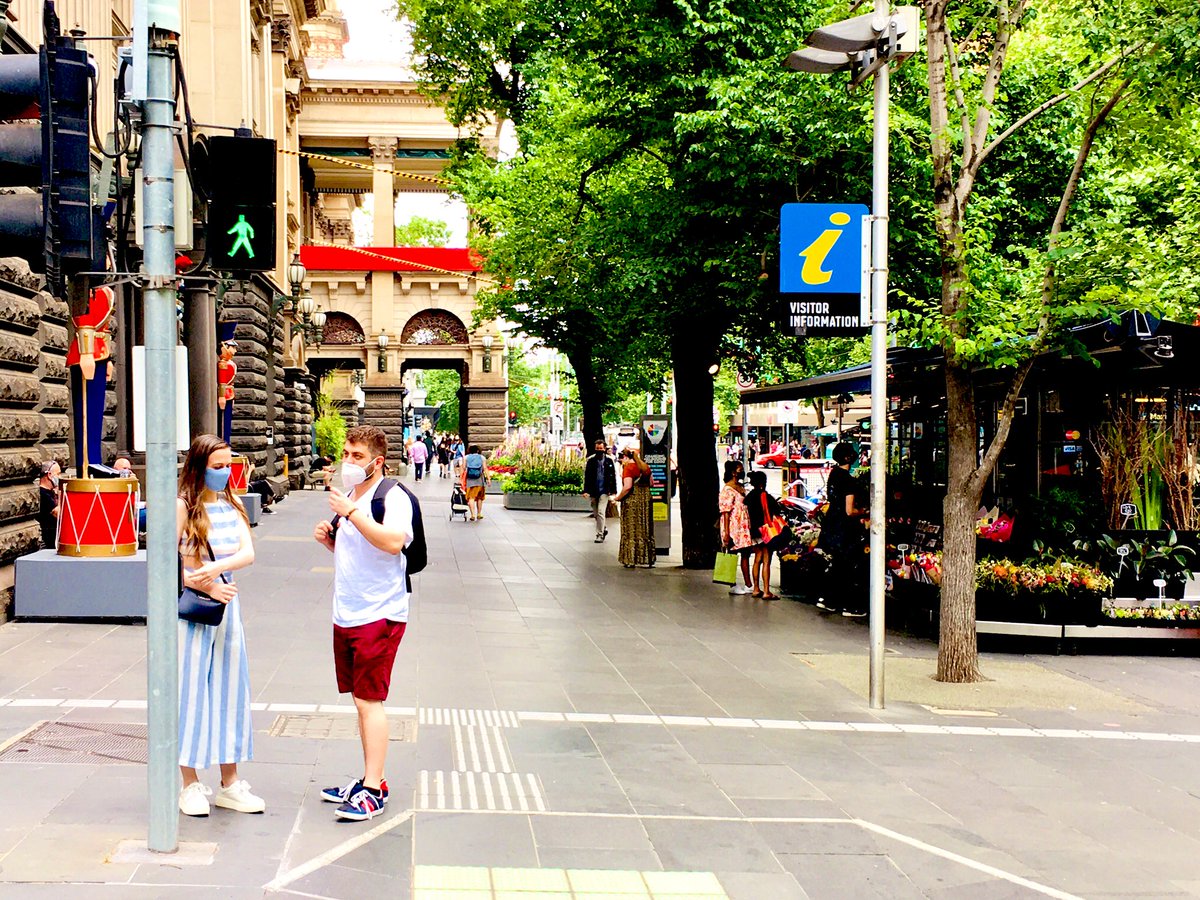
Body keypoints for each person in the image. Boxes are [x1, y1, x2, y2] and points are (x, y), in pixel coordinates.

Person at [313, 425, 414, 822]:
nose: (348, 462)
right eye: (346, 453)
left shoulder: (393, 496)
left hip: (380, 612)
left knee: (370, 700)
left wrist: (351, 513)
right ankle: (373, 777)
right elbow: (359, 551)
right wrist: (330, 540)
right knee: (360, 700)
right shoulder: (353, 496)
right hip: (349, 610)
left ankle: (373, 789)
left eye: (357, 456)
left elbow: (392, 543)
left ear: (377, 461)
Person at [176, 434, 262, 817]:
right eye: (217, 466)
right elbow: (169, 560)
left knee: (231, 689)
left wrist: (217, 570)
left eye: (229, 465)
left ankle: (230, 782)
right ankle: (190, 783)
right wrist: (204, 580)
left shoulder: (233, 503)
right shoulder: (183, 507)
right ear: (198, 468)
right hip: (196, 610)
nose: (225, 473)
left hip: (229, 607)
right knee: (190, 691)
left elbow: (248, 552)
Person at [816, 442, 869, 616]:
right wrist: (864, 512)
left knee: (837, 564)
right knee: (849, 566)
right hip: (845, 530)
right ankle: (850, 606)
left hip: (831, 524)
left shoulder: (833, 474)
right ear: (848, 457)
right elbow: (849, 510)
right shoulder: (849, 481)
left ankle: (829, 600)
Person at [613, 448, 655, 568]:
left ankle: (631, 558)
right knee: (645, 528)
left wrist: (618, 498)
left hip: (632, 501)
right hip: (646, 500)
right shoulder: (646, 467)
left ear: (626, 458)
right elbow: (652, 483)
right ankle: (648, 557)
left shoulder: (629, 468)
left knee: (632, 529)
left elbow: (628, 487)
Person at [718, 460, 754, 596]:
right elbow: (725, 512)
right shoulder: (727, 490)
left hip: (743, 527)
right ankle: (732, 584)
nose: (741, 472)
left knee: (745, 554)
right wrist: (726, 532)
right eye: (739, 469)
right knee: (732, 556)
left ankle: (748, 583)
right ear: (733, 472)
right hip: (733, 527)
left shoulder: (740, 487)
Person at [743, 470, 781, 600]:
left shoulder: (749, 497)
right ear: (763, 482)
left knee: (757, 559)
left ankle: (755, 589)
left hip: (753, 531)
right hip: (765, 531)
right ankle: (766, 591)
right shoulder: (765, 495)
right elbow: (776, 510)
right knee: (766, 560)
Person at [583, 438, 618, 543]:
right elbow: (587, 476)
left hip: (604, 490)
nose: (599, 450)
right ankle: (603, 528)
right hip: (593, 491)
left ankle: (600, 534)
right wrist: (586, 490)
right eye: (597, 448)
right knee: (596, 513)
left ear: (604, 448)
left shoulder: (609, 461)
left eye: (601, 448)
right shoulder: (591, 461)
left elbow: (612, 476)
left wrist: (613, 490)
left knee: (601, 512)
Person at [37, 460, 61, 550]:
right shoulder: (43, 494)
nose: (59, 477)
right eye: (58, 474)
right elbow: (58, 513)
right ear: (49, 475)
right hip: (48, 541)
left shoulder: (51, 492)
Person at [461, 444, 488, 521]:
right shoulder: (482, 458)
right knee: (480, 498)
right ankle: (479, 514)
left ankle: (472, 514)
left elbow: (463, 468)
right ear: (478, 451)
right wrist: (489, 479)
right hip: (480, 480)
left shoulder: (466, 457)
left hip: (470, 480)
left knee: (471, 497)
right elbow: (485, 468)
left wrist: (461, 479)